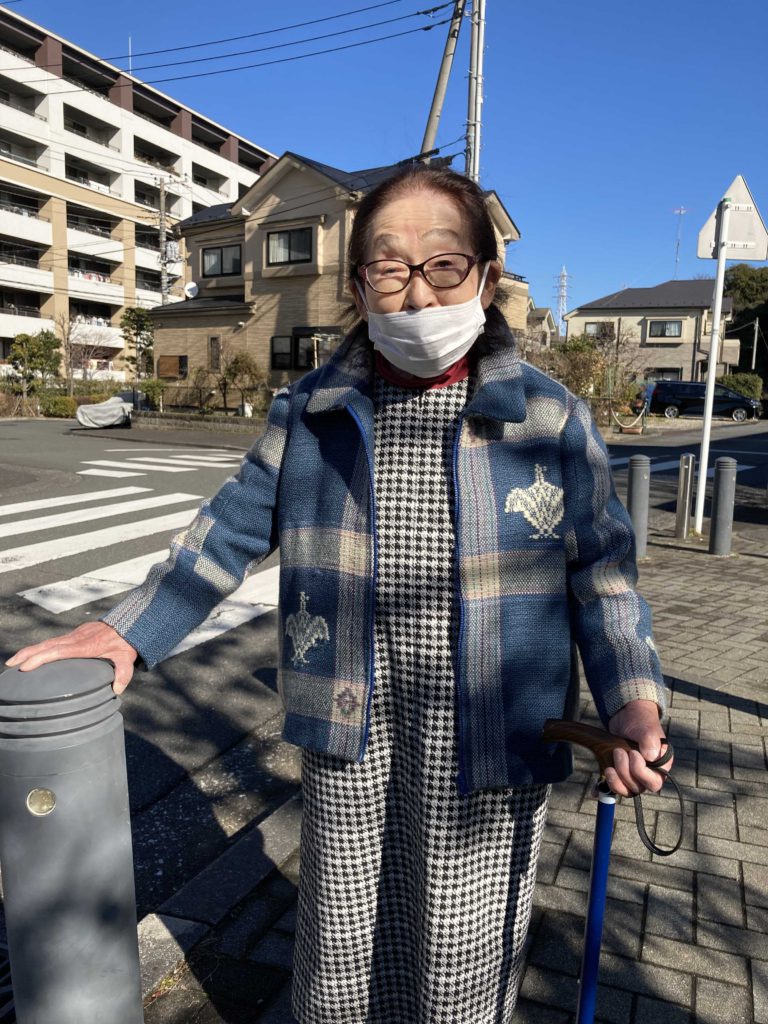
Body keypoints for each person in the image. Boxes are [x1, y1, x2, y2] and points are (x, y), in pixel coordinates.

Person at [7, 165, 672, 1024]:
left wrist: (635, 700)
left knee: (463, 972)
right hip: (351, 735)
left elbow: (604, 580)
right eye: (389, 267)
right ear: (360, 285)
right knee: (342, 958)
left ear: (486, 278)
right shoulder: (313, 410)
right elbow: (229, 530)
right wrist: (127, 631)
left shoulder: (551, 420)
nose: (419, 292)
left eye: (445, 265)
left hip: (494, 743)